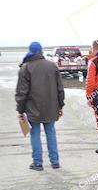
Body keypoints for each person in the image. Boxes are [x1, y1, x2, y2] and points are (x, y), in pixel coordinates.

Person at [15, 42, 65, 171]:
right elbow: (60, 89)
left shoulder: (25, 67)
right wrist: (60, 105)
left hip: (32, 109)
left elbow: (21, 92)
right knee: (50, 132)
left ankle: (38, 163)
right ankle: (55, 162)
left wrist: (20, 110)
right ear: (41, 51)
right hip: (50, 107)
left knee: (35, 134)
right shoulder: (52, 66)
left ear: (30, 51)